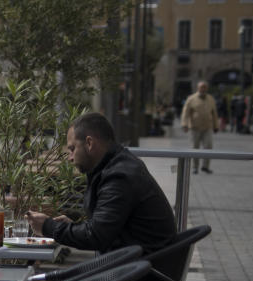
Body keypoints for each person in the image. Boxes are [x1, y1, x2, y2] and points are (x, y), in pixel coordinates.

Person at [26, 112, 176, 254]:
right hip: (137, 262)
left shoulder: (119, 176)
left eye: (72, 149)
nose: (70, 158)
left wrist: (47, 227)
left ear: (89, 143)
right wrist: (73, 226)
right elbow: (105, 229)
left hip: (141, 271)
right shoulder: (116, 165)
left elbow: (96, 236)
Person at [181, 81, 218, 174]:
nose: (203, 89)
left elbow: (214, 113)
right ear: (198, 88)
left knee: (208, 147)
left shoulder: (211, 99)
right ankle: (194, 167)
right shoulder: (191, 99)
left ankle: (205, 166)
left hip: (207, 127)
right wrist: (184, 124)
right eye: (201, 87)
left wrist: (216, 125)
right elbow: (185, 112)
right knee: (195, 148)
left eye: (205, 87)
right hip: (195, 127)